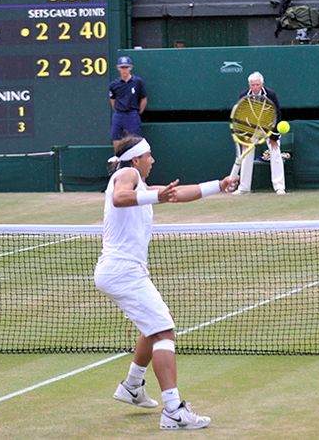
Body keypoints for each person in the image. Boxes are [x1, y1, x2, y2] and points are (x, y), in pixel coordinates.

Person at [96, 135, 235, 431]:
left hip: (122, 271)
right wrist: (155, 197)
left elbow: (179, 193)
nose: (153, 160)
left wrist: (218, 186)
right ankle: (173, 409)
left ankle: (132, 386)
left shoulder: (140, 184)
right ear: (136, 159)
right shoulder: (127, 174)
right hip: (123, 271)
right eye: (149, 156)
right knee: (164, 332)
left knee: (153, 327)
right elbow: (121, 198)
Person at [232, 72, 286, 196]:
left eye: (257, 84)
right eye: (252, 85)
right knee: (246, 154)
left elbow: (277, 114)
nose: (255, 87)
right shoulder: (243, 96)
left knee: (275, 152)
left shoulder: (271, 95)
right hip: (251, 129)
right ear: (249, 85)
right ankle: (244, 188)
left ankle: (279, 187)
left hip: (268, 127)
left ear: (262, 84)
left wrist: (274, 136)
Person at [109, 56, 148, 149]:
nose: (124, 70)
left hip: (132, 114)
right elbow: (112, 100)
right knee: (116, 137)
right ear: (118, 68)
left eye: (126, 67)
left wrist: (137, 112)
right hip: (118, 114)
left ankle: (134, 163)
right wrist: (119, 110)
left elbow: (143, 98)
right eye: (122, 67)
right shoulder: (113, 85)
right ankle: (119, 161)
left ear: (130, 67)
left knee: (134, 140)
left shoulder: (138, 82)